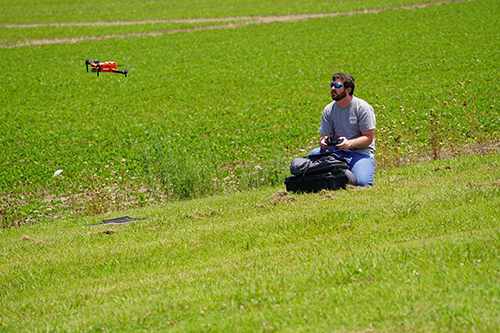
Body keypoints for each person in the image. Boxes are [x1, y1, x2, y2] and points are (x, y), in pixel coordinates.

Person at [309, 73, 376, 186]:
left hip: (360, 153)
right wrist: (323, 142)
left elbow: (368, 138)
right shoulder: (329, 109)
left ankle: (347, 174)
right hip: (336, 152)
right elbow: (324, 136)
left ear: (348, 90)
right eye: (332, 85)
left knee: (362, 183)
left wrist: (349, 143)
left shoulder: (363, 108)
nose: (332, 88)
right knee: (312, 157)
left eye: (337, 86)